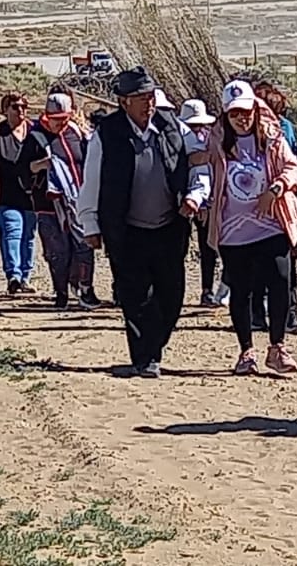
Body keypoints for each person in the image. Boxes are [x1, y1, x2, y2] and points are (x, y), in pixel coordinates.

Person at [76, 66, 209, 379]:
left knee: (172, 295)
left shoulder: (173, 127)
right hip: (126, 229)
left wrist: (196, 195)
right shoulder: (106, 134)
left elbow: (199, 162)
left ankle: (154, 345)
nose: (148, 102)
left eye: (150, 96)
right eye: (140, 97)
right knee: (135, 296)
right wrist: (90, 224)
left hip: (169, 226)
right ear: (124, 102)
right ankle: (145, 357)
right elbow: (91, 180)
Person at [201, 80, 297, 375]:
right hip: (233, 230)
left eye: (246, 111)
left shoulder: (272, 138)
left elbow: (291, 167)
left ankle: (277, 346)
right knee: (241, 289)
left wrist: (275, 189)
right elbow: (203, 171)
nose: (242, 117)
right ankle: (246, 351)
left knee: (281, 278)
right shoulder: (216, 142)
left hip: (271, 223)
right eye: (235, 113)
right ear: (226, 115)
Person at [0, 93, 49, 294]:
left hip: (32, 194)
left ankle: (25, 276)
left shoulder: (36, 131)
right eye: (15, 106)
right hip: (5, 194)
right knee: (12, 230)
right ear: (5, 110)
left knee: (29, 235)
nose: (20, 110)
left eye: (24, 106)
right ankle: (13, 275)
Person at [30, 93, 100, 310]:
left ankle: (86, 290)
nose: (60, 123)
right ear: (46, 116)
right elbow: (25, 170)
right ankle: (61, 294)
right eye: (56, 118)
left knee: (85, 245)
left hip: (80, 200)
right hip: (48, 205)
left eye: (64, 117)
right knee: (58, 252)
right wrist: (45, 164)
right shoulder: (35, 138)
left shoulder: (77, 133)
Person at [251, 81, 297, 336]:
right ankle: (276, 316)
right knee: (270, 265)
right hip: (260, 206)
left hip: (281, 203)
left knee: (282, 266)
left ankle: (283, 316)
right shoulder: (254, 132)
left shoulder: (283, 129)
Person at [178, 98, 225, 308]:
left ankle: (207, 290)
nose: (197, 128)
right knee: (180, 247)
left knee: (209, 247)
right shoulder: (177, 140)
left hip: (207, 201)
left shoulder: (210, 139)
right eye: (193, 125)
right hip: (181, 200)